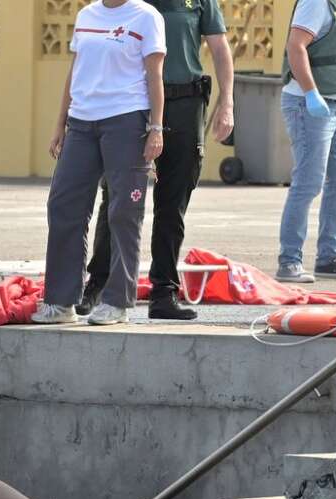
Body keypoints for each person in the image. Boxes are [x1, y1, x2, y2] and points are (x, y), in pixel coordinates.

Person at [75, 0, 235, 320]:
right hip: (133, 104)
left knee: (172, 202)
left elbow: (219, 47)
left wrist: (227, 102)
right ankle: (100, 282)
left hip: (185, 103)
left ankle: (164, 291)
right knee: (117, 198)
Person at [30, 0, 169, 326]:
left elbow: (155, 75)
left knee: (123, 211)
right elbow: (75, 72)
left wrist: (156, 128)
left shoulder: (146, 17)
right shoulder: (86, 15)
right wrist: (60, 123)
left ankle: (117, 301)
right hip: (81, 123)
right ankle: (61, 302)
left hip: (126, 121)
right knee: (63, 205)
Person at [274, 0, 336, 285]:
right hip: (309, 104)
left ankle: (329, 257)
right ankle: (289, 261)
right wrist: (311, 93)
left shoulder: (335, 2)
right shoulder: (315, 3)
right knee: (309, 182)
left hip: (335, 103)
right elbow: (296, 47)